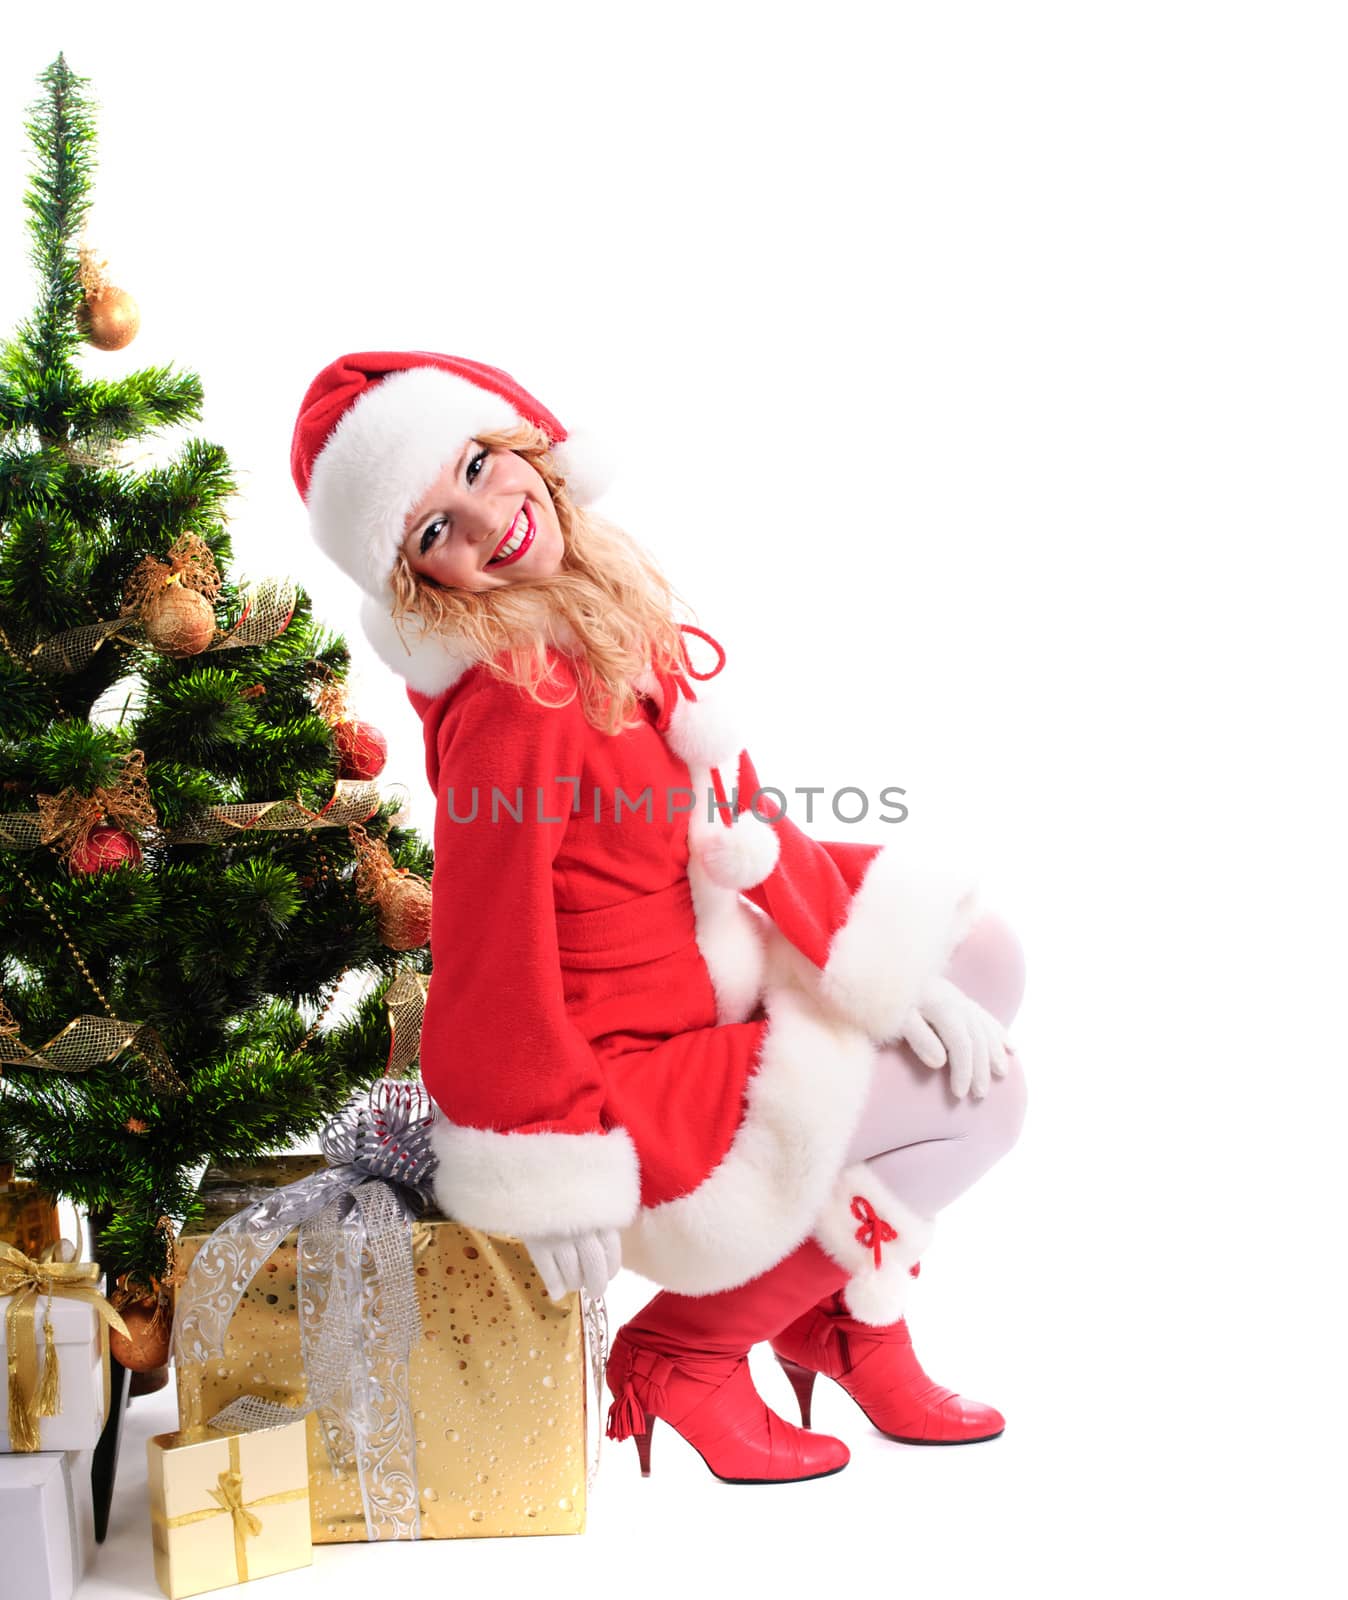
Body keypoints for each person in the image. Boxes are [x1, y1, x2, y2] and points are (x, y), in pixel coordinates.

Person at [290, 350, 1029, 1485]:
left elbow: (717, 816)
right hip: (620, 1058)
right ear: (420, 581)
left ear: (526, 444)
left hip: (697, 954)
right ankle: (693, 1348)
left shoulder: (601, 599)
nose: (488, 521)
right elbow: (489, 953)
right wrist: (544, 1160)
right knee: (980, 1104)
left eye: (481, 465)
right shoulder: (516, 698)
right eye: (434, 529)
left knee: (974, 954)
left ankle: (839, 1321)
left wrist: (870, 965)